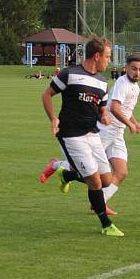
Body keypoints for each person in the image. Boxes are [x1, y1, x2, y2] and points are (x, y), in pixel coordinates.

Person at [38, 36, 123, 237]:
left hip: (92, 134)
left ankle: (65, 173)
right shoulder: (69, 74)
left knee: (106, 180)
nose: (109, 61)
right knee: (94, 181)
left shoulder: (102, 82)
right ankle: (106, 224)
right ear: (97, 56)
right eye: (108, 57)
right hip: (70, 135)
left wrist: (104, 117)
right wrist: (53, 119)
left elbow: (102, 108)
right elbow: (46, 95)